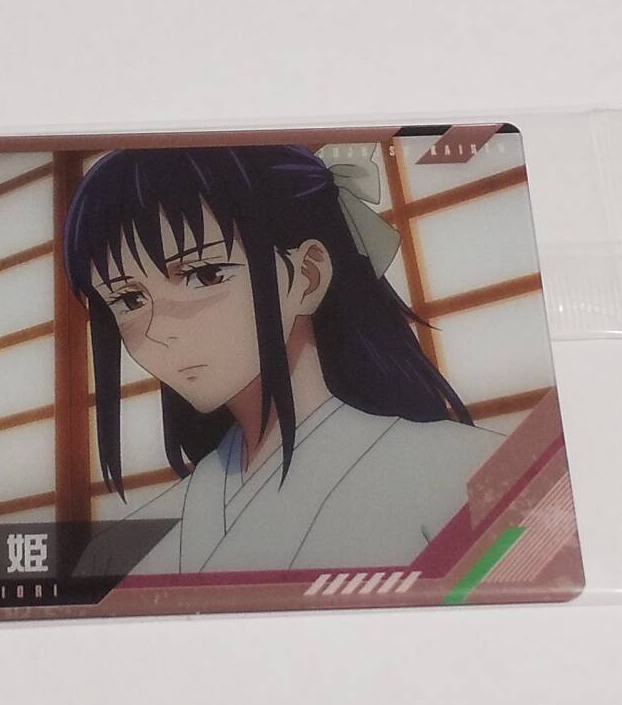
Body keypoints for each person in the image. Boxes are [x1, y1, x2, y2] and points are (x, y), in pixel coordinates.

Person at [63, 145, 502, 574]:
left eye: (204, 274)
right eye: (129, 299)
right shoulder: (129, 547)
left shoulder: (469, 470)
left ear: (307, 275)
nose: (158, 329)